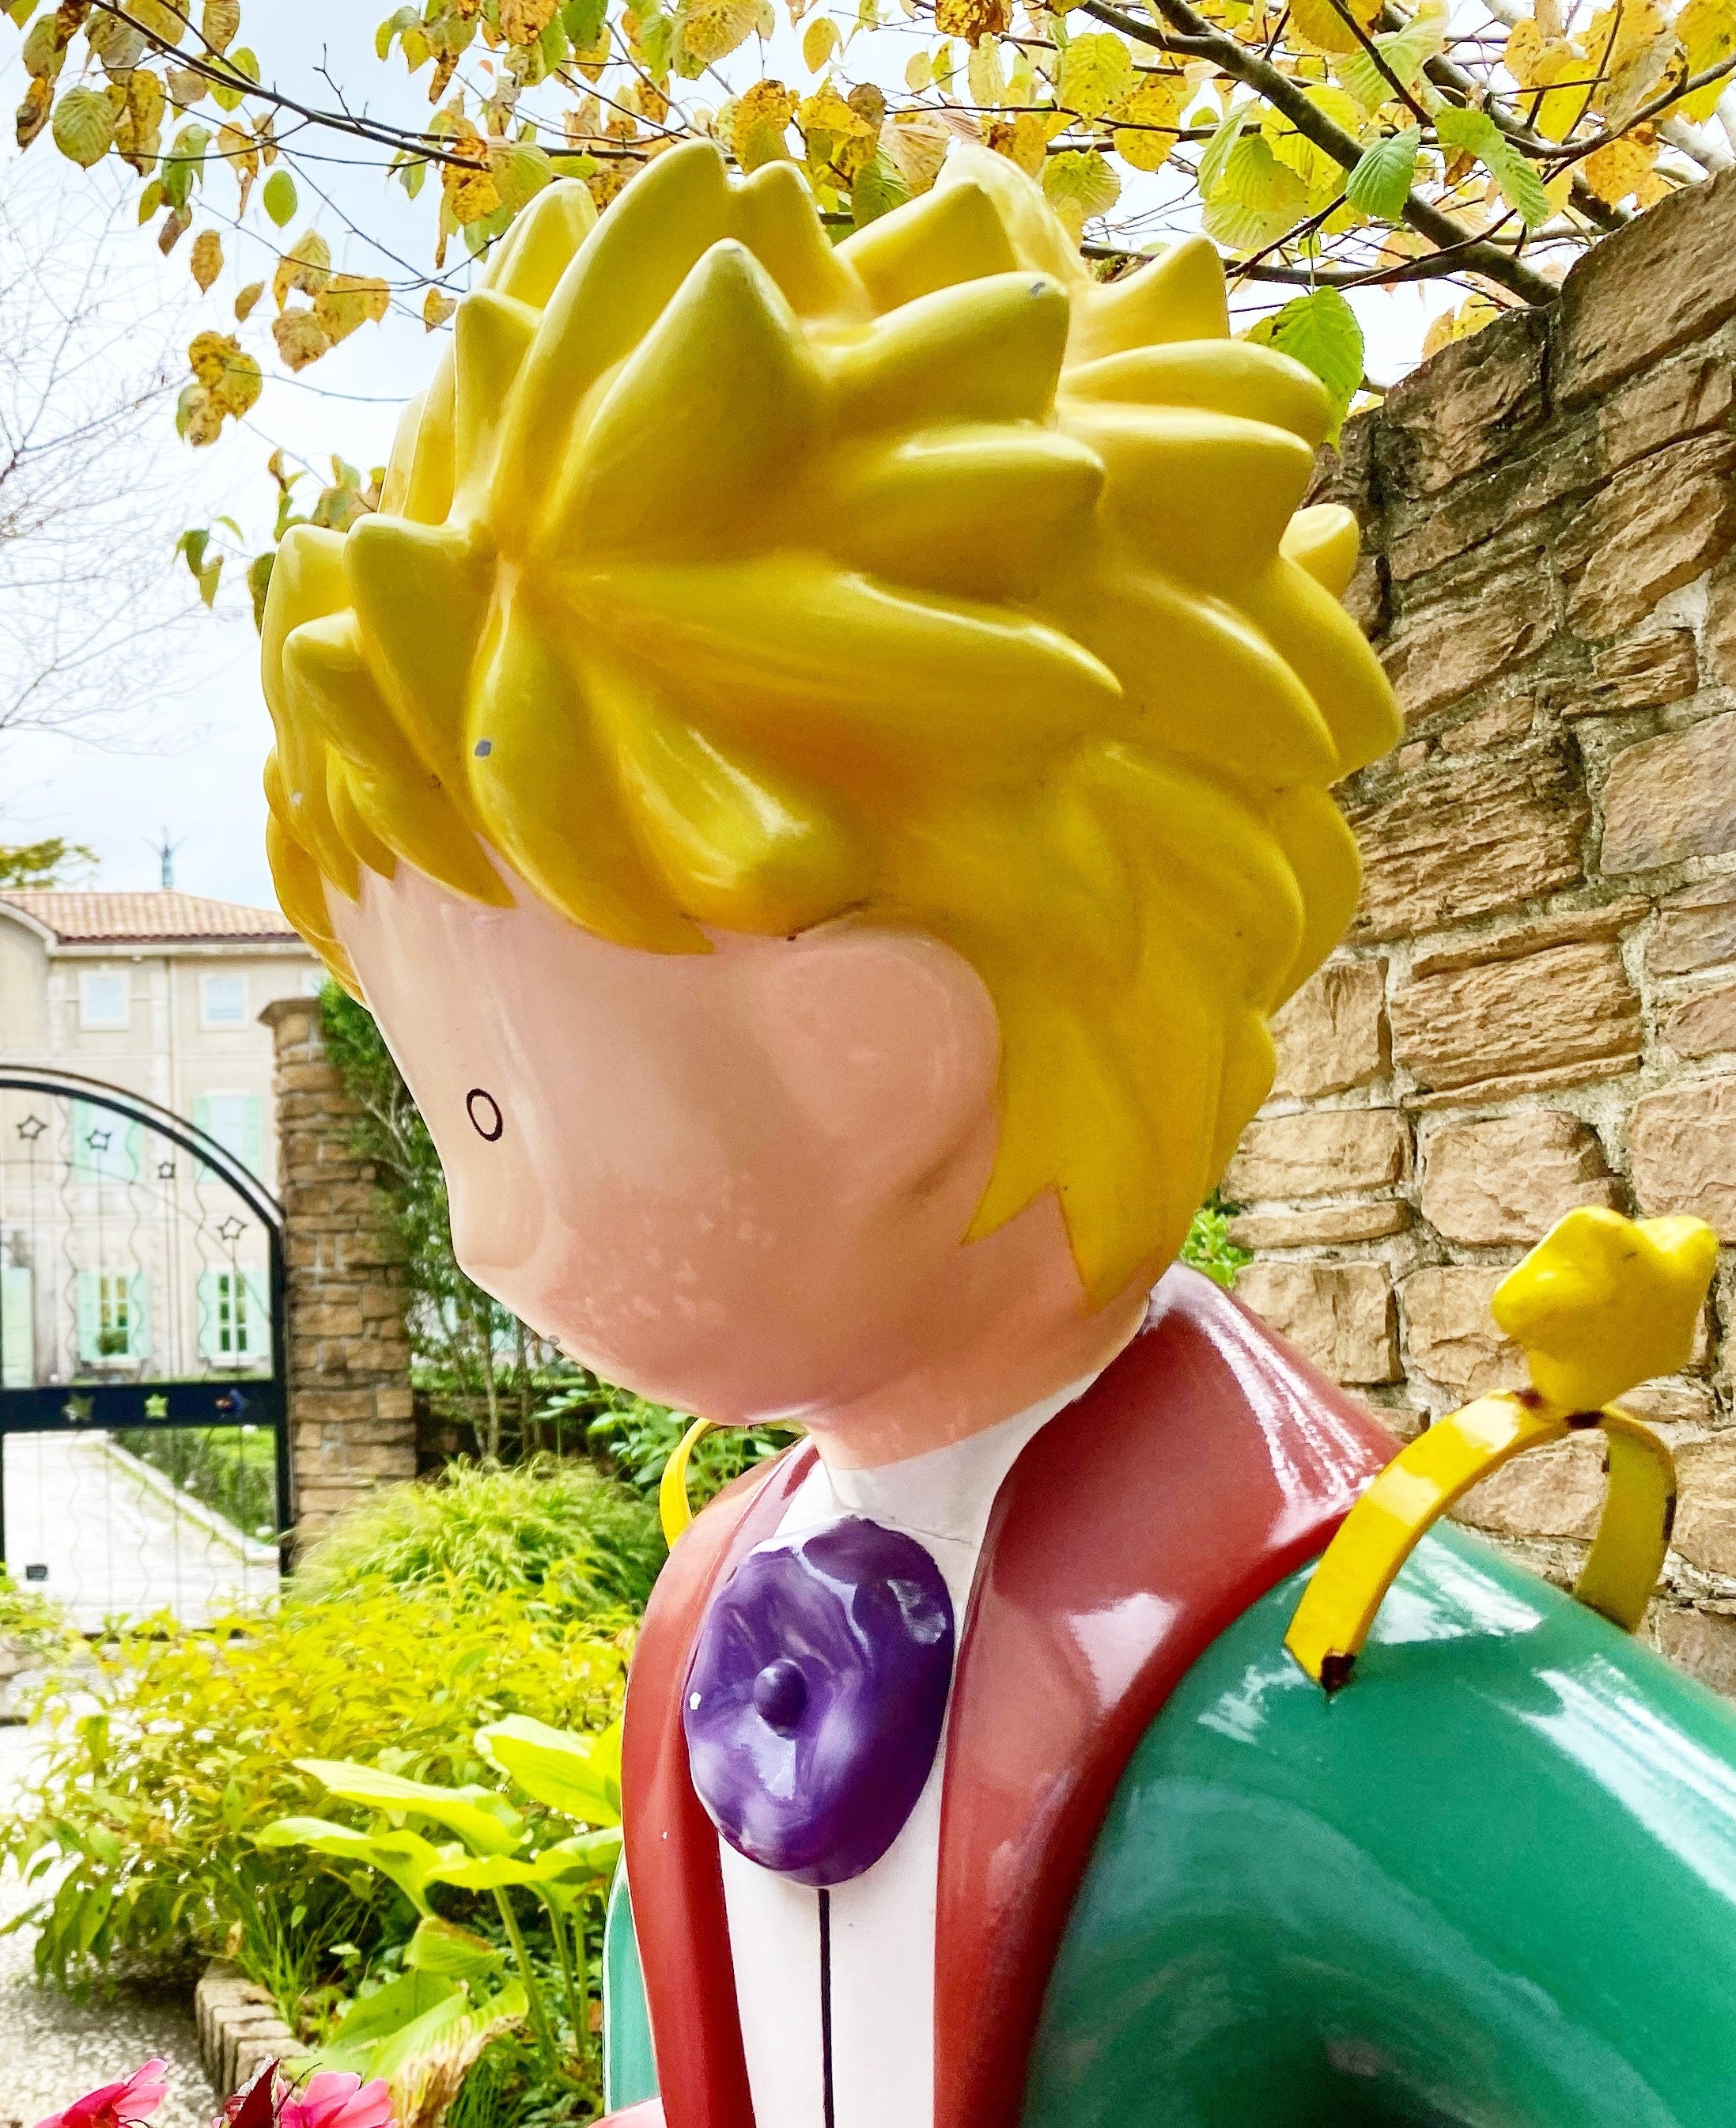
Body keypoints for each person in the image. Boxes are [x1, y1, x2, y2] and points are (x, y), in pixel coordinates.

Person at [258, 138, 1736, 2128]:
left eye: (491, 1107)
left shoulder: (1336, 1681)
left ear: (871, 1062)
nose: (472, 1221)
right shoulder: (726, 1597)